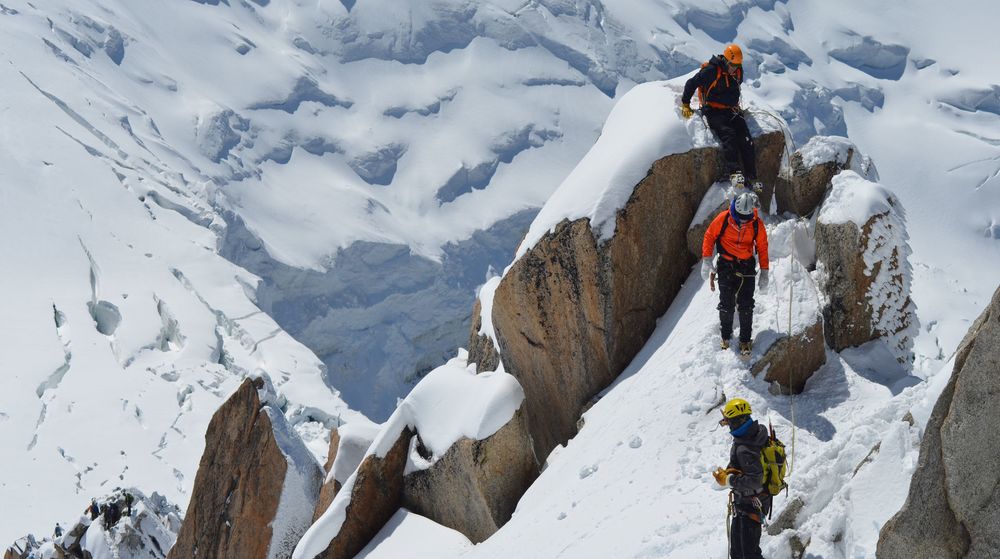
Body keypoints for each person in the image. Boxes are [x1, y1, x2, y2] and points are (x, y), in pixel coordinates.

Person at [680, 44, 761, 192]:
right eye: (732, 65)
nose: (735, 68)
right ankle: (735, 173)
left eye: (737, 65)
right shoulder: (711, 71)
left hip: (731, 110)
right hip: (713, 110)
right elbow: (691, 83)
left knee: (745, 138)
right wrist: (685, 103)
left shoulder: (737, 71)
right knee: (728, 135)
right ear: (726, 61)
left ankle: (751, 176)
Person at [701, 192, 769, 355]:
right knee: (726, 303)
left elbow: (762, 247)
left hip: (746, 266)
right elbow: (710, 236)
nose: (743, 221)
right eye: (740, 217)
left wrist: (765, 271)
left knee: (746, 305)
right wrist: (706, 258)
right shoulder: (724, 218)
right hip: (726, 265)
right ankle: (726, 336)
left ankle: (745, 340)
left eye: (747, 217)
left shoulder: (756, 224)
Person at [713, 398, 771, 559]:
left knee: (748, 553)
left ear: (738, 421)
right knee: (738, 551)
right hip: (751, 502)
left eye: (729, 422)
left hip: (750, 504)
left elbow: (754, 479)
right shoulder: (754, 434)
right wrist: (730, 471)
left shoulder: (746, 447)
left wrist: (729, 480)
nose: (728, 426)